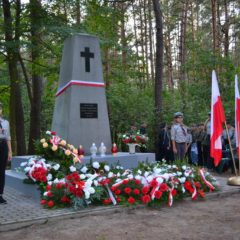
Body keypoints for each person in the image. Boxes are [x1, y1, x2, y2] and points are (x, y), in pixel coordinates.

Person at [0, 102, 12, 204]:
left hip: (3, 146)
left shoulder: (5, 123)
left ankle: (0, 195)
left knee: (1, 171)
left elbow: (8, 137)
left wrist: (10, 151)